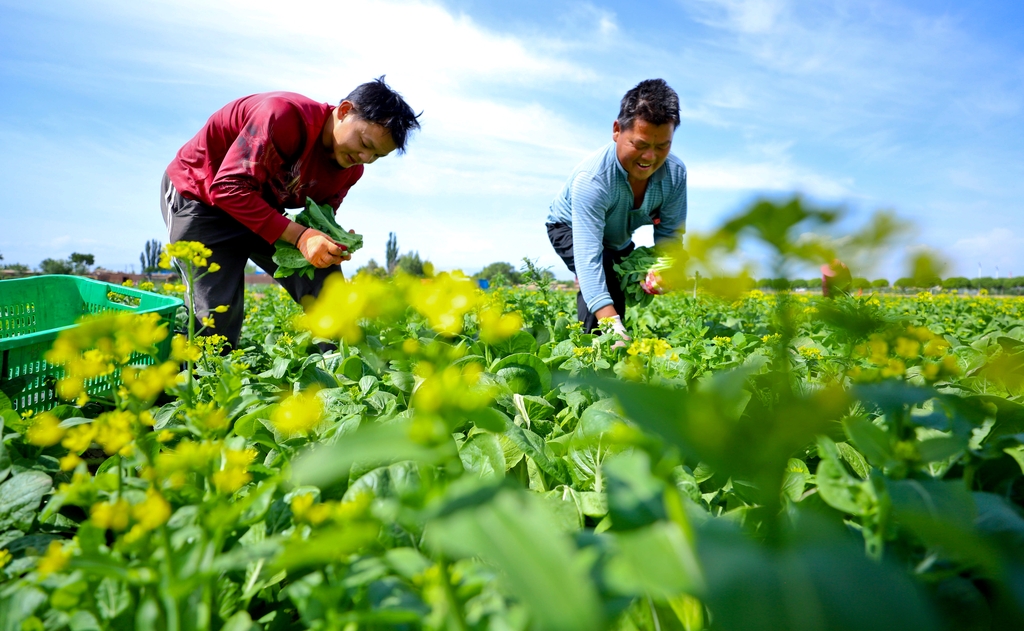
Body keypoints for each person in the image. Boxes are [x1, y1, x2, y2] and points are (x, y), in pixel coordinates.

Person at [160, 77, 420, 347]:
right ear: (344, 111)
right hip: (202, 197)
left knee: (326, 281)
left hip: (260, 204)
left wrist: (332, 238)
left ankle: (340, 369)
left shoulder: (350, 169)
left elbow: (317, 218)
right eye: (365, 144)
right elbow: (228, 188)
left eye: (377, 156)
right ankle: (183, 382)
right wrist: (300, 237)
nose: (366, 159)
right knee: (216, 323)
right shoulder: (282, 116)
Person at [545, 78, 686, 338]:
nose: (650, 157)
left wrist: (665, 269)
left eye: (662, 146)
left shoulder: (675, 175)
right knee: (605, 278)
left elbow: (669, 234)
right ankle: (593, 353)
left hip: (618, 235)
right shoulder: (593, 180)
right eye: (640, 145)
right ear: (617, 130)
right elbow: (589, 258)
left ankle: (607, 344)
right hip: (568, 225)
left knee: (616, 284)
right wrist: (611, 322)